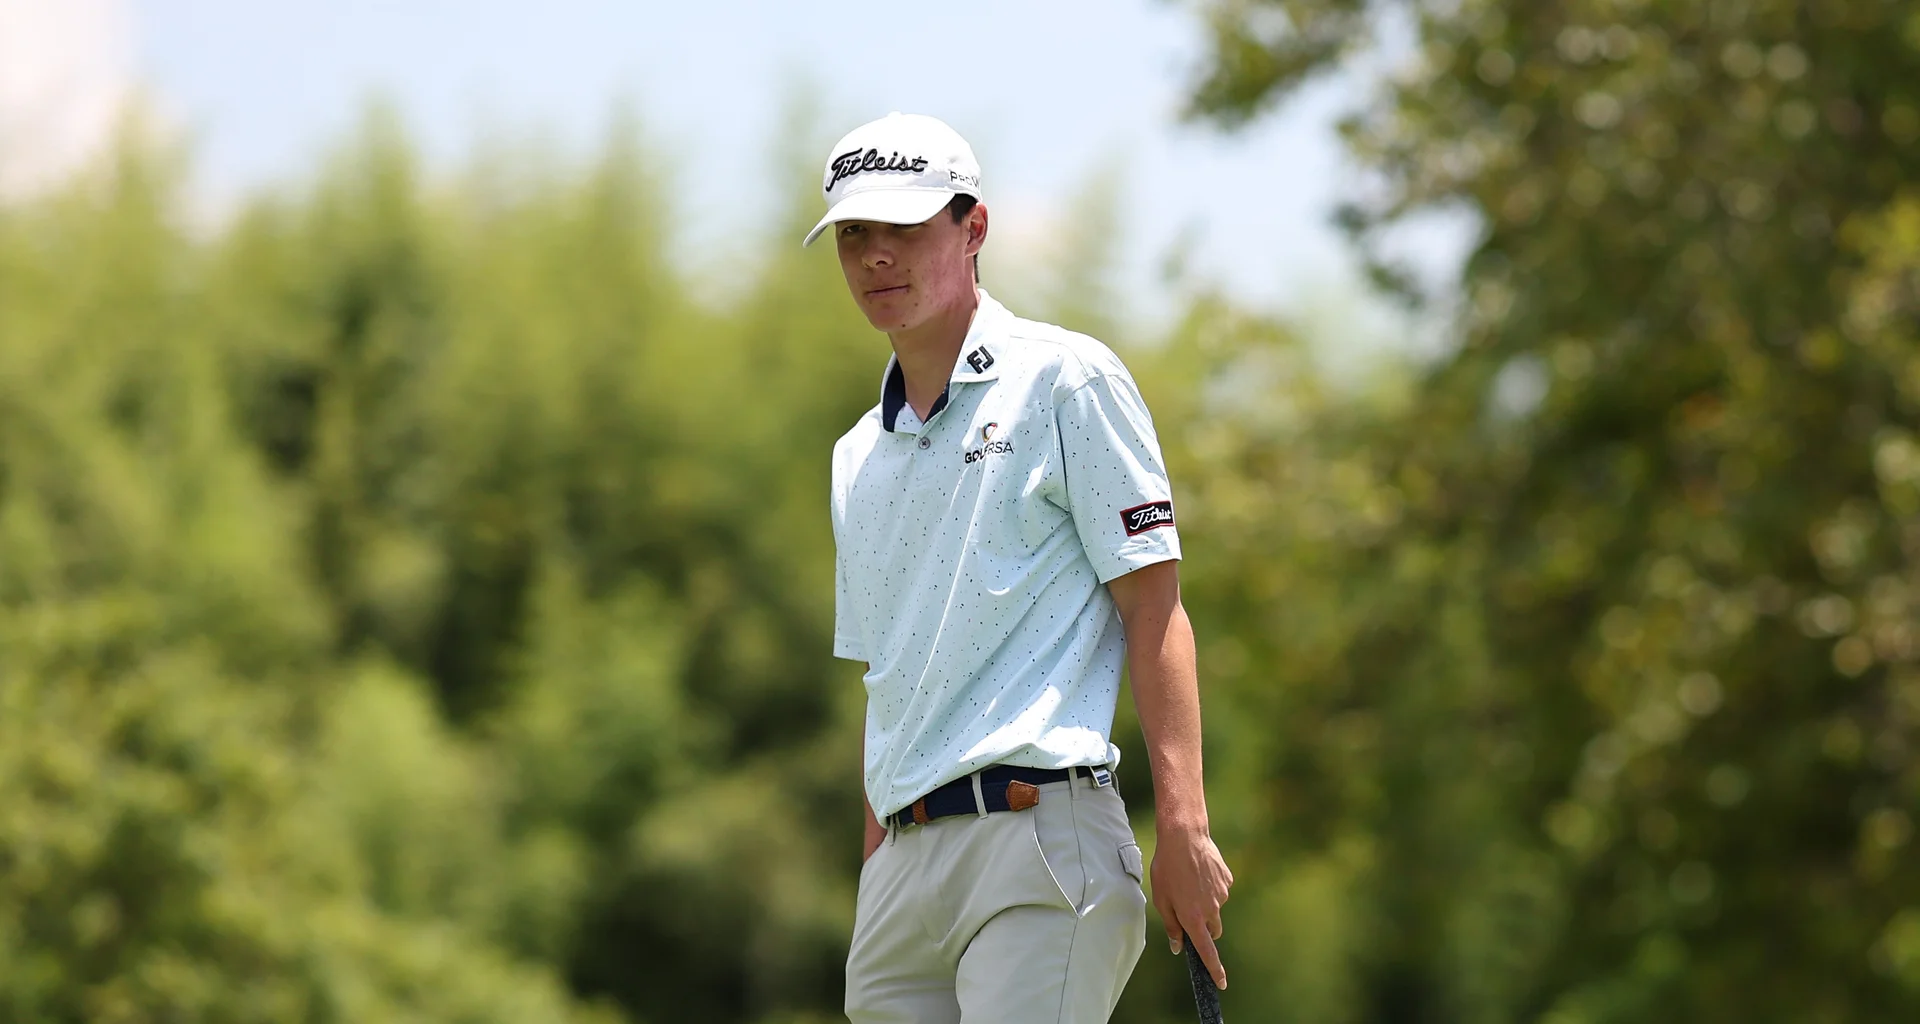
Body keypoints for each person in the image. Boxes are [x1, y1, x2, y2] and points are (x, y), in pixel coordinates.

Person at [809, 112, 1232, 1024]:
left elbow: (1153, 605)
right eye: (855, 234)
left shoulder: (1066, 381)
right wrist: (876, 864)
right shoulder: (855, 458)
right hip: (902, 876)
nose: (877, 255)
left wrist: (1184, 827)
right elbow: (889, 680)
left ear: (974, 229)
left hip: (1040, 840)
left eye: (906, 229)